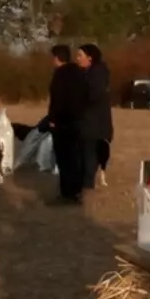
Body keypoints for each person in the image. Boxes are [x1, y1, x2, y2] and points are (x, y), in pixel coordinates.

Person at [39, 44, 86, 205]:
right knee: (75, 157)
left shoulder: (60, 75)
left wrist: (53, 120)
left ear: (57, 58)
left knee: (64, 160)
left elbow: (57, 101)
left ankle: (67, 194)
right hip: (78, 121)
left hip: (62, 123)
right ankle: (77, 192)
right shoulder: (79, 73)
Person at [75, 43, 113, 192]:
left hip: (93, 123)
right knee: (87, 153)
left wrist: (78, 101)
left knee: (89, 153)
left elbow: (94, 96)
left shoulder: (96, 74)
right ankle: (85, 182)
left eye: (80, 56)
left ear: (90, 58)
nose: (77, 59)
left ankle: (87, 185)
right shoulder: (92, 73)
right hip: (92, 121)